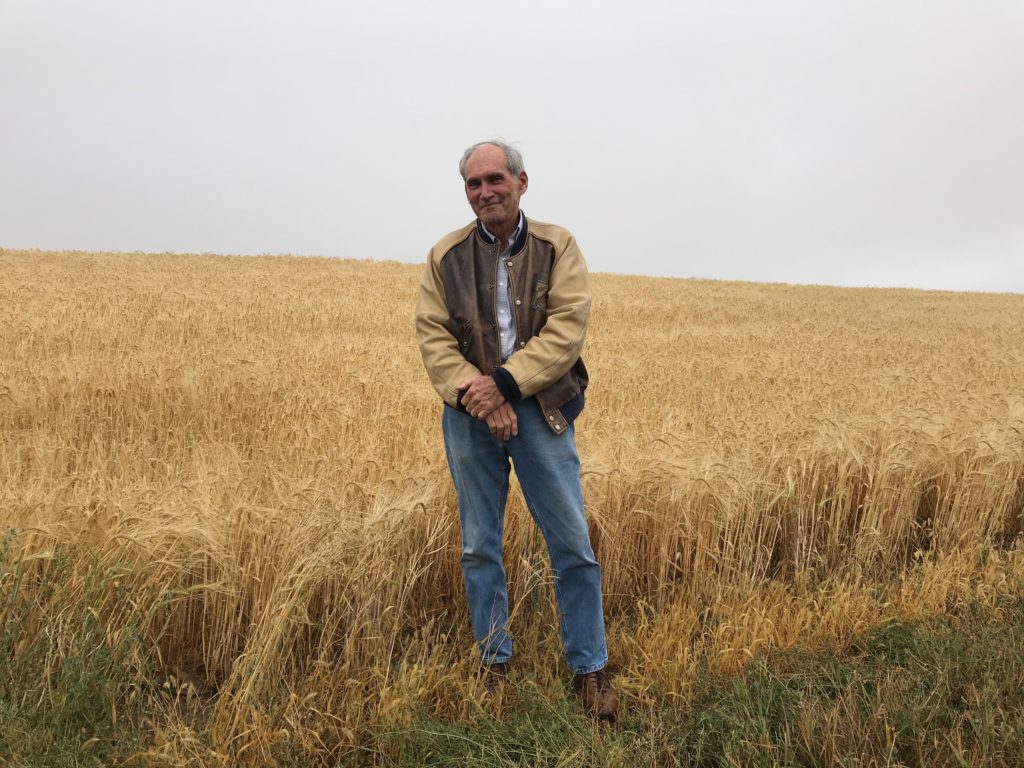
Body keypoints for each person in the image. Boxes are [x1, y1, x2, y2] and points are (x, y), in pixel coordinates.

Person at [415, 139, 618, 722]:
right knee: (480, 546)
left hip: (540, 410)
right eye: (474, 184)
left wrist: (505, 385)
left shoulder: (558, 246)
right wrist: (480, 396)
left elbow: (566, 331)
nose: (486, 192)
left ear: (522, 182)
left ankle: (589, 666)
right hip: (470, 415)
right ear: (466, 192)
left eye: (495, 180)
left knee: (572, 544)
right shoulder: (444, 256)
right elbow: (434, 340)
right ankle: (493, 663)